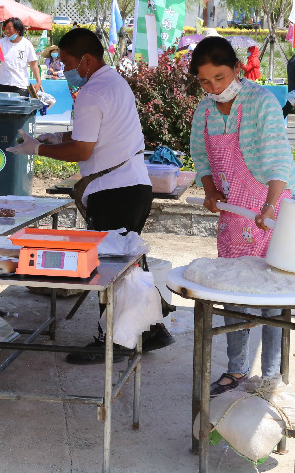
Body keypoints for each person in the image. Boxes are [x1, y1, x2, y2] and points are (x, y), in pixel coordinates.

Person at [9, 28, 174, 363]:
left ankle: (111, 340)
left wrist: (38, 147)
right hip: (134, 187)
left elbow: (83, 150)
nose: (64, 69)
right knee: (128, 265)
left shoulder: (91, 92)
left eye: (67, 62)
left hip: (114, 192)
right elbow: (94, 135)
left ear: (85, 60)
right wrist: (58, 138)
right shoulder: (114, 82)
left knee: (111, 268)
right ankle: (152, 329)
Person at [189, 36, 295, 396]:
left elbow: (278, 158)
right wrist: (209, 191)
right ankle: (236, 369)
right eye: (205, 82)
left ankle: (270, 376)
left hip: (273, 206)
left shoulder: (261, 102)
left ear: (236, 68)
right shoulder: (203, 112)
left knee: (272, 295)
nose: (214, 87)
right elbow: (202, 159)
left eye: (220, 77)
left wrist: (269, 206)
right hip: (234, 213)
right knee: (234, 291)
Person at [0, 17, 42, 95]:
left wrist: (38, 81)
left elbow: (33, 64)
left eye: (9, 28)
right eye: (6, 28)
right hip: (4, 84)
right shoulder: (2, 43)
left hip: (21, 85)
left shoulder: (27, 44)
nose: (7, 31)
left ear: (18, 30)